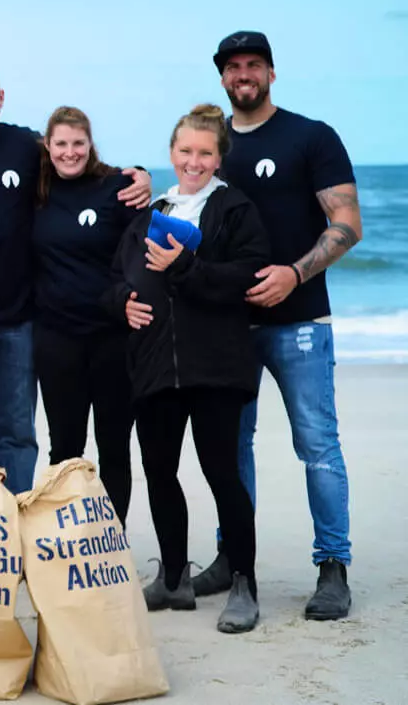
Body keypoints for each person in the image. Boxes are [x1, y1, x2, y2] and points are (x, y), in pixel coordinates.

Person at [0, 64, 151, 493]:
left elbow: (76, 159)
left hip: (17, 317)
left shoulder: (25, 146)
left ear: (1, 97)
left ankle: (9, 525)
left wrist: (139, 174)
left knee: (16, 432)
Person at [199, 31, 361, 620]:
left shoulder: (310, 137)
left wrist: (294, 274)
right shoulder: (212, 146)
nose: (243, 75)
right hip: (226, 328)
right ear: (221, 77)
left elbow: (347, 221)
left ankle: (333, 567)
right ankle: (231, 559)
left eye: (254, 65)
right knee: (229, 449)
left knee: (316, 444)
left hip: (300, 323)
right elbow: (184, 203)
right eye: (233, 67)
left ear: (270, 72)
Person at [110, 104, 269, 634]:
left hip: (216, 365)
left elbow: (248, 276)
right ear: (172, 154)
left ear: (219, 157)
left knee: (222, 472)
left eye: (205, 152)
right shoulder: (151, 211)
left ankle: (243, 581)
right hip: (154, 365)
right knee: (158, 472)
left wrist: (186, 267)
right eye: (185, 152)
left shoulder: (235, 208)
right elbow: (118, 276)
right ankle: (174, 577)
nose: (194, 161)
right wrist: (122, 304)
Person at [32, 107, 142, 524]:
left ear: (90, 144)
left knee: (114, 445)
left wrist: (142, 174)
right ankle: (70, 538)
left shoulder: (114, 187)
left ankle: (111, 540)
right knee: (64, 448)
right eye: (61, 143)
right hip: (56, 339)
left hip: (112, 338)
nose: (70, 152)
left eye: (78, 143)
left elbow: (145, 253)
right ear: (48, 145)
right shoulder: (36, 190)